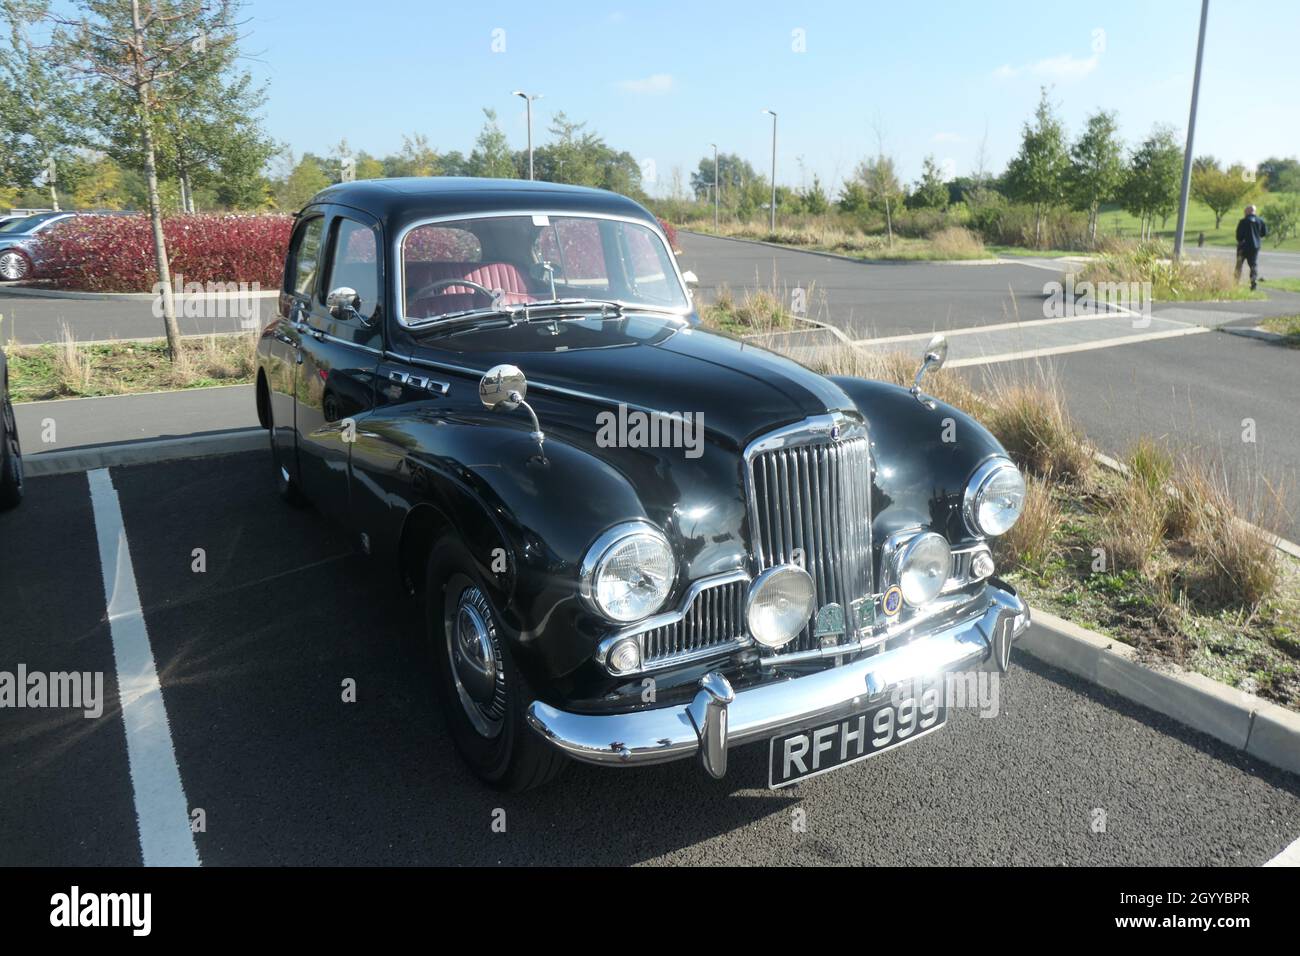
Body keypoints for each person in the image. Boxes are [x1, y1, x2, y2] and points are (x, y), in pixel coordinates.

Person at [1235, 205, 1267, 290]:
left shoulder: (1243, 221)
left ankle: (1236, 282)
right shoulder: (1260, 221)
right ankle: (1253, 281)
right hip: (1255, 246)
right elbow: (1264, 233)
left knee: (1239, 264)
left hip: (1243, 246)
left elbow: (1238, 236)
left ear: (1248, 211)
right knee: (1253, 265)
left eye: (1245, 211)